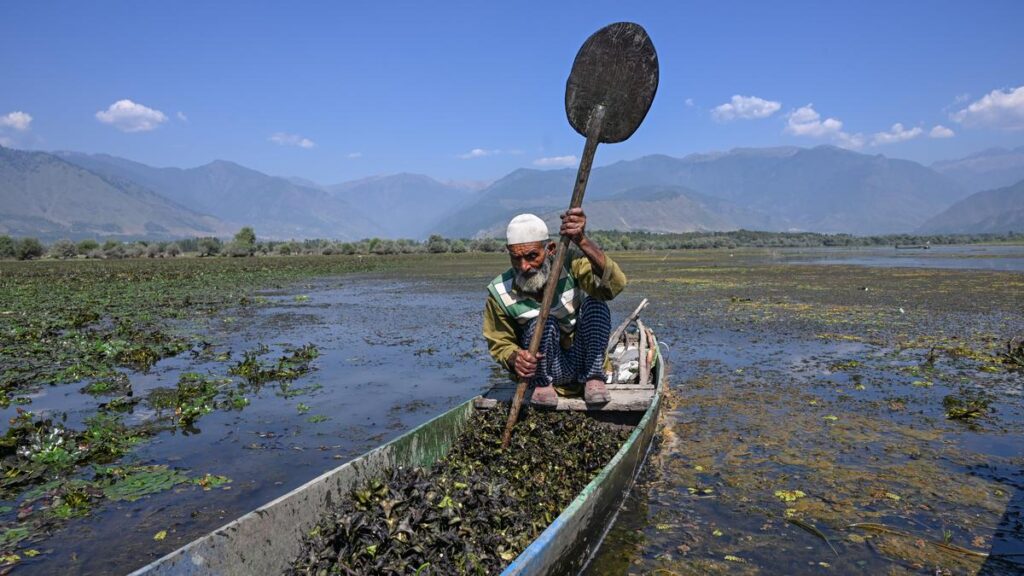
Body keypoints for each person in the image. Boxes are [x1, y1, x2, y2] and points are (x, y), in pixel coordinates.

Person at [483, 208, 627, 407]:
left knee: (596, 305)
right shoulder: (500, 291)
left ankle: (594, 379)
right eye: (516, 258)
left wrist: (582, 240)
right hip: (545, 371)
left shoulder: (570, 262)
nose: (524, 266)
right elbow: (500, 343)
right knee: (542, 323)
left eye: (532, 256)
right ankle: (542, 386)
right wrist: (515, 358)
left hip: (582, 362)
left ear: (550, 249)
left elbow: (614, 286)